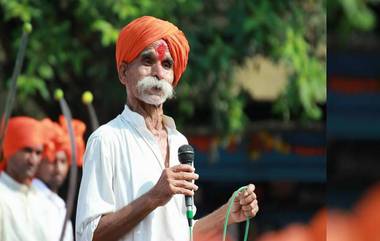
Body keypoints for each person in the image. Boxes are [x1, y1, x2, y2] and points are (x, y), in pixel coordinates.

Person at [76, 16, 259, 241]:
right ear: (123, 73)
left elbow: (182, 234)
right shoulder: (106, 140)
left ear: (173, 78)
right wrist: (153, 197)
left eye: (166, 64)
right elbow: (88, 235)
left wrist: (227, 214)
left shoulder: (179, 142)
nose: (158, 72)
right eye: (147, 61)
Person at [32, 117, 86, 241]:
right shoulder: (30, 196)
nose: (58, 168)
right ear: (39, 162)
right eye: (51, 161)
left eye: (63, 161)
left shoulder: (58, 203)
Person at [0, 116, 52, 240]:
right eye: (27, 150)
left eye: (38, 153)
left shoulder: (45, 200)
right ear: (9, 150)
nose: (33, 160)